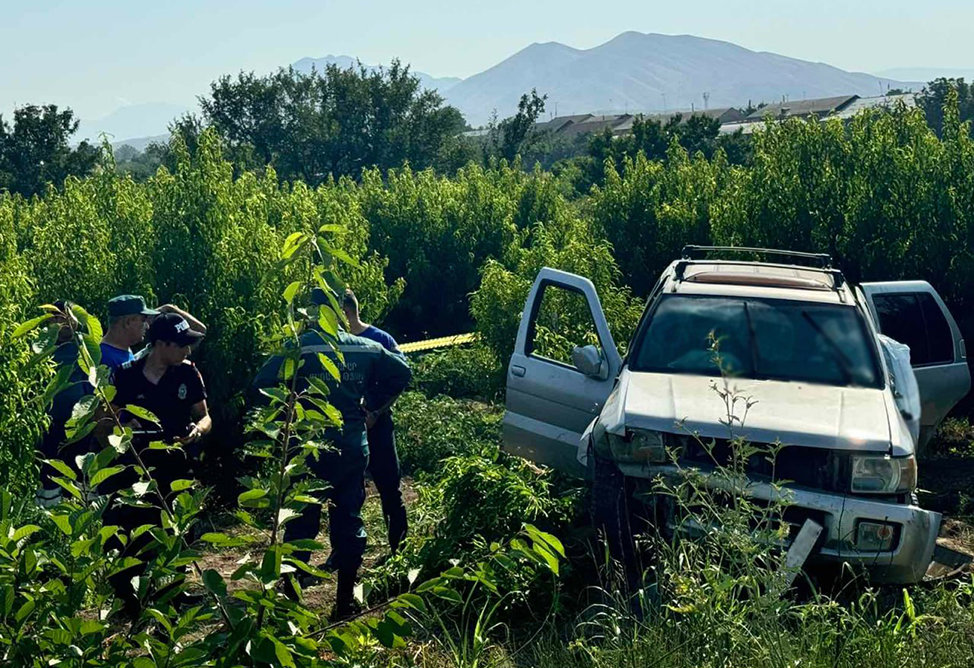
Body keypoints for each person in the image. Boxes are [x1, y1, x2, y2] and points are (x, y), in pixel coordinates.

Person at [252, 289, 412, 619]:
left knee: (300, 525)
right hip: (352, 447)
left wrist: (286, 413)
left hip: (308, 448)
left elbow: (260, 383)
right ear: (340, 313)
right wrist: (372, 404)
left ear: (313, 313)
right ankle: (343, 603)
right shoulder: (365, 347)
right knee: (349, 521)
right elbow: (402, 371)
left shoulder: (299, 347)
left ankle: (292, 603)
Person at [104, 313, 210, 615]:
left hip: (176, 465)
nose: (187, 351)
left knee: (178, 530)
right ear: (161, 344)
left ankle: (174, 592)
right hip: (134, 466)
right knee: (132, 532)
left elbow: (204, 416)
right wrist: (123, 425)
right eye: (181, 345)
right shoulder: (125, 374)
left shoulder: (188, 373)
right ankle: (129, 599)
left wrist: (198, 430)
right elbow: (107, 419)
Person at [342, 289, 409, 554]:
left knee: (390, 488)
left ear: (346, 312)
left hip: (377, 426)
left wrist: (376, 413)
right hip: (346, 430)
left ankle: (399, 550)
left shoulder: (380, 340)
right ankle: (345, 552)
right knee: (348, 493)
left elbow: (400, 379)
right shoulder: (336, 343)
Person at [101, 295, 206, 373]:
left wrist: (170, 309)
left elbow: (201, 331)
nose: (147, 326)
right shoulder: (104, 359)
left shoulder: (124, 352)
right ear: (128, 322)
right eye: (143, 320)